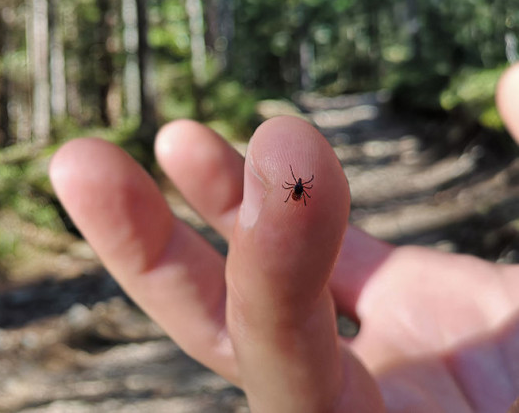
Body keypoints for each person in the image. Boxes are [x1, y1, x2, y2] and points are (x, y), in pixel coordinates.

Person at [49, 64, 519, 412]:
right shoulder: (298, 187)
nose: (298, 187)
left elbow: (302, 187)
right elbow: (302, 187)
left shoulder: (299, 188)